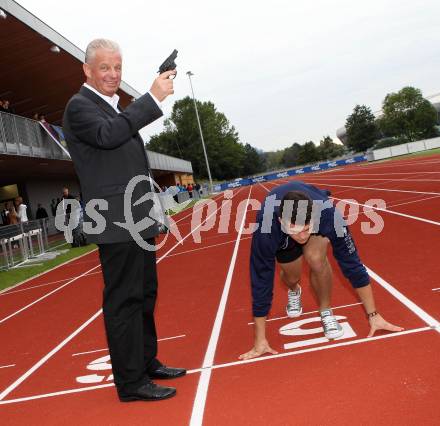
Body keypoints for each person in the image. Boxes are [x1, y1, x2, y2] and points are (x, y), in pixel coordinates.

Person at [63, 38, 185, 402]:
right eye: (104, 68)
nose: (113, 74)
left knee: (145, 294)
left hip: (138, 216)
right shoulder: (79, 107)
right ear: (87, 70)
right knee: (124, 301)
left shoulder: (110, 107)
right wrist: (151, 97)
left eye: (117, 67)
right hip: (115, 221)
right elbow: (108, 136)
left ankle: (146, 362)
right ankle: (131, 382)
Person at [240, 181, 403, 360]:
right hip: (281, 237)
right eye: (297, 231)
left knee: (317, 260)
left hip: (315, 223)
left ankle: (325, 311)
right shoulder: (266, 226)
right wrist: (259, 340)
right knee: (291, 277)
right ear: (281, 221)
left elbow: (352, 263)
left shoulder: (328, 216)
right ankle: (294, 290)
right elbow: (261, 277)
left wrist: (374, 315)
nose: (302, 236)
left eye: (306, 229)